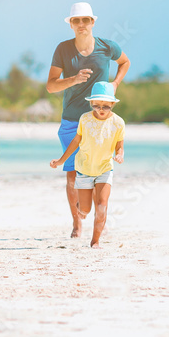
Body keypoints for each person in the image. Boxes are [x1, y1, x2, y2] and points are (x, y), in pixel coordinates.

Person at [46, 2, 130, 238]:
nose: (81, 25)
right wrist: (72, 80)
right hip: (72, 119)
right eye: (76, 21)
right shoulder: (63, 49)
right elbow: (51, 86)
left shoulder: (106, 47)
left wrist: (114, 84)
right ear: (71, 24)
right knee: (72, 173)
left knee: (96, 171)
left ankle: (97, 223)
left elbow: (125, 62)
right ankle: (77, 222)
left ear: (93, 22)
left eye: (85, 20)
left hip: (102, 122)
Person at [50, 81, 125, 248]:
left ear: (112, 104)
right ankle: (80, 208)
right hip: (84, 169)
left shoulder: (118, 123)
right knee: (85, 210)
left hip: (105, 168)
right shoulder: (85, 119)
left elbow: (120, 145)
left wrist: (119, 155)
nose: (101, 109)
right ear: (91, 103)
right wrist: (61, 160)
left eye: (106, 106)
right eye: (96, 105)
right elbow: (76, 141)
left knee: (102, 206)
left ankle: (95, 241)